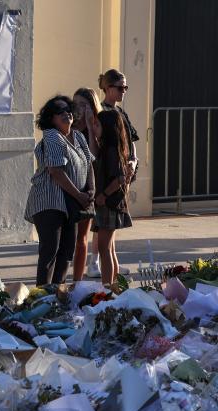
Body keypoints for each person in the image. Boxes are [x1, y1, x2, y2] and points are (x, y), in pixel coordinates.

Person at [25, 95, 95, 286]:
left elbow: (89, 165)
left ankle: (58, 293)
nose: (66, 114)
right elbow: (56, 172)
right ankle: (42, 296)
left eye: (68, 110)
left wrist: (91, 191)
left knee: (66, 251)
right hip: (49, 202)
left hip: (70, 202)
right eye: (59, 111)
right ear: (51, 119)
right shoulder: (52, 136)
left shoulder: (78, 136)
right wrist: (80, 195)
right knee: (50, 250)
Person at [95, 68, 139, 277]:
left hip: (117, 179)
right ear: (107, 88)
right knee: (106, 244)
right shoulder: (103, 114)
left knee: (107, 242)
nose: (123, 91)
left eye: (125, 87)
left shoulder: (119, 113)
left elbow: (131, 141)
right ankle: (108, 284)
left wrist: (133, 161)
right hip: (112, 177)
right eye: (120, 87)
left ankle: (109, 287)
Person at [94, 110, 133, 290]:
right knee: (108, 248)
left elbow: (120, 178)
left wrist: (104, 195)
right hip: (110, 205)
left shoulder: (112, 151)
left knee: (104, 248)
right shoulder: (109, 148)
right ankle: (114, 286)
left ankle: (106, 287)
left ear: (107, 128)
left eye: (97, 125)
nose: (95, 128)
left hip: (109, 205)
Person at [71, 88, 102, 282]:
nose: (79, 109)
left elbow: (94, 155)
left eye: (84, 105)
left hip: (87, 187)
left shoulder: (96, 125)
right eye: (76, 104)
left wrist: (90, 127)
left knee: (82, 237)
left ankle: (77, 281)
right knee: (67, 238)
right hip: (69, 185)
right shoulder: (68, 125)